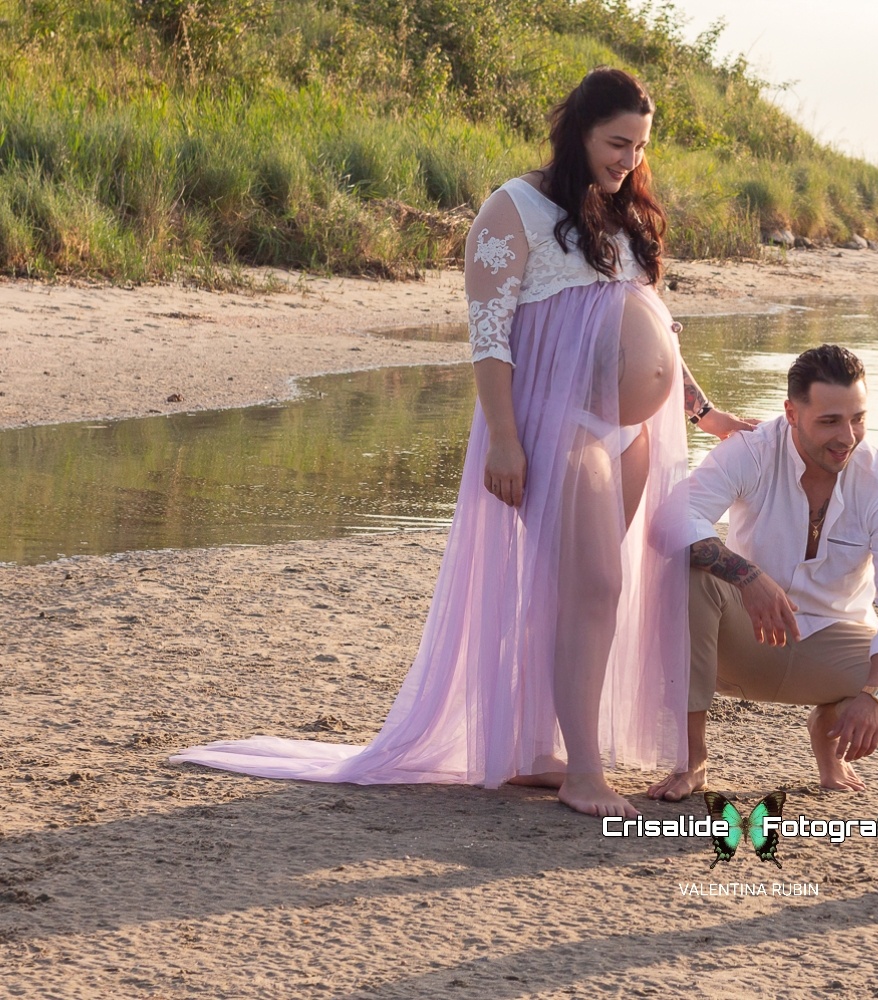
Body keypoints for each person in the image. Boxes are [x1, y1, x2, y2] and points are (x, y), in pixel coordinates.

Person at [174, 68, 751, 819]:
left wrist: (704, 412)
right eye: (617, 143)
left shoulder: (624, 217)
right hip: (560, 425)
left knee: (581, 596)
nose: (628, 161)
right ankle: (582, 773)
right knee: (596, 588)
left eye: (639, 148)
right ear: (578, 130)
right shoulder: (512, 209)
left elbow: (659, 331)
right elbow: (488, 339)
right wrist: (504, 443)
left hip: (630, 433)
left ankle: (544, 750)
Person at [647, 345, 878, 802]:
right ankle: (692, 760)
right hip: (743, 639)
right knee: (694, 576)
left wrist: (875, 696)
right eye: (829, 421)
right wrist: (747, 576)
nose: (847, 436)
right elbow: (670, 520)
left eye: (857, 419)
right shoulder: (751, 450)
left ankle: (827, 729)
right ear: (791, 412)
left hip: (829, 642)